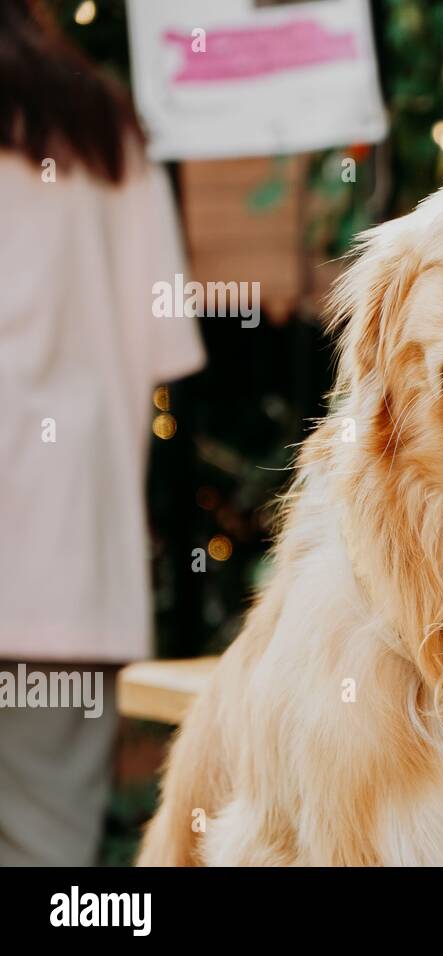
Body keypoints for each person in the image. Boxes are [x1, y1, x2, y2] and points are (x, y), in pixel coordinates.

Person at [0, 0, 204, 864]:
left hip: (64, 554)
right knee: (48, 846)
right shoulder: (103, 122)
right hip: (67, 556)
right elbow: (166, 340)